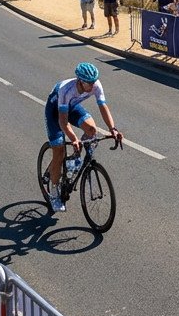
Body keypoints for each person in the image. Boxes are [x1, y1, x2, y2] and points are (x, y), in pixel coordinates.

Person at [43, 62, 122, 213]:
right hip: (55, 111)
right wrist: (74, 138)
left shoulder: (95, 85)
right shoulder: (67, 90)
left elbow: (103, 107)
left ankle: (74, 159)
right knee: (59, 149)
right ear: (80, 81)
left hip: (72, 107)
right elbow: (63, 122)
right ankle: (54, 193)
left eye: (93, 82)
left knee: (92, 130)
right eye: (89, 83)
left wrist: (113, 129)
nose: (92, 86)